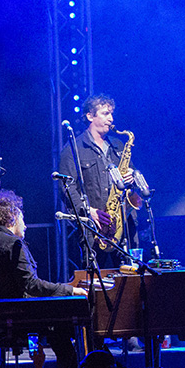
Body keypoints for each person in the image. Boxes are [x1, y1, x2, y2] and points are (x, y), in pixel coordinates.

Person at [0, 190, 86, 368]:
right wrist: (69, 289)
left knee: (59, 321)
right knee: (66, 322)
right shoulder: (12, 243)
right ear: (13, 217)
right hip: (16, 314)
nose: (26, 225)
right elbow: (31, 285)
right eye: (23, 218)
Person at [58, 93, 141, 264]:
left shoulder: (118, 145)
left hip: (123, 223)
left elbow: (132, 173)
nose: (110, 119)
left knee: (132, 277)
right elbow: (66, 187)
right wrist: (89, 211)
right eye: (105, 113)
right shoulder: (73, 148)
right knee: (94, 280)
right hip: (94, 226)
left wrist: (132, 177)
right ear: (90, 116)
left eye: (111, 114)